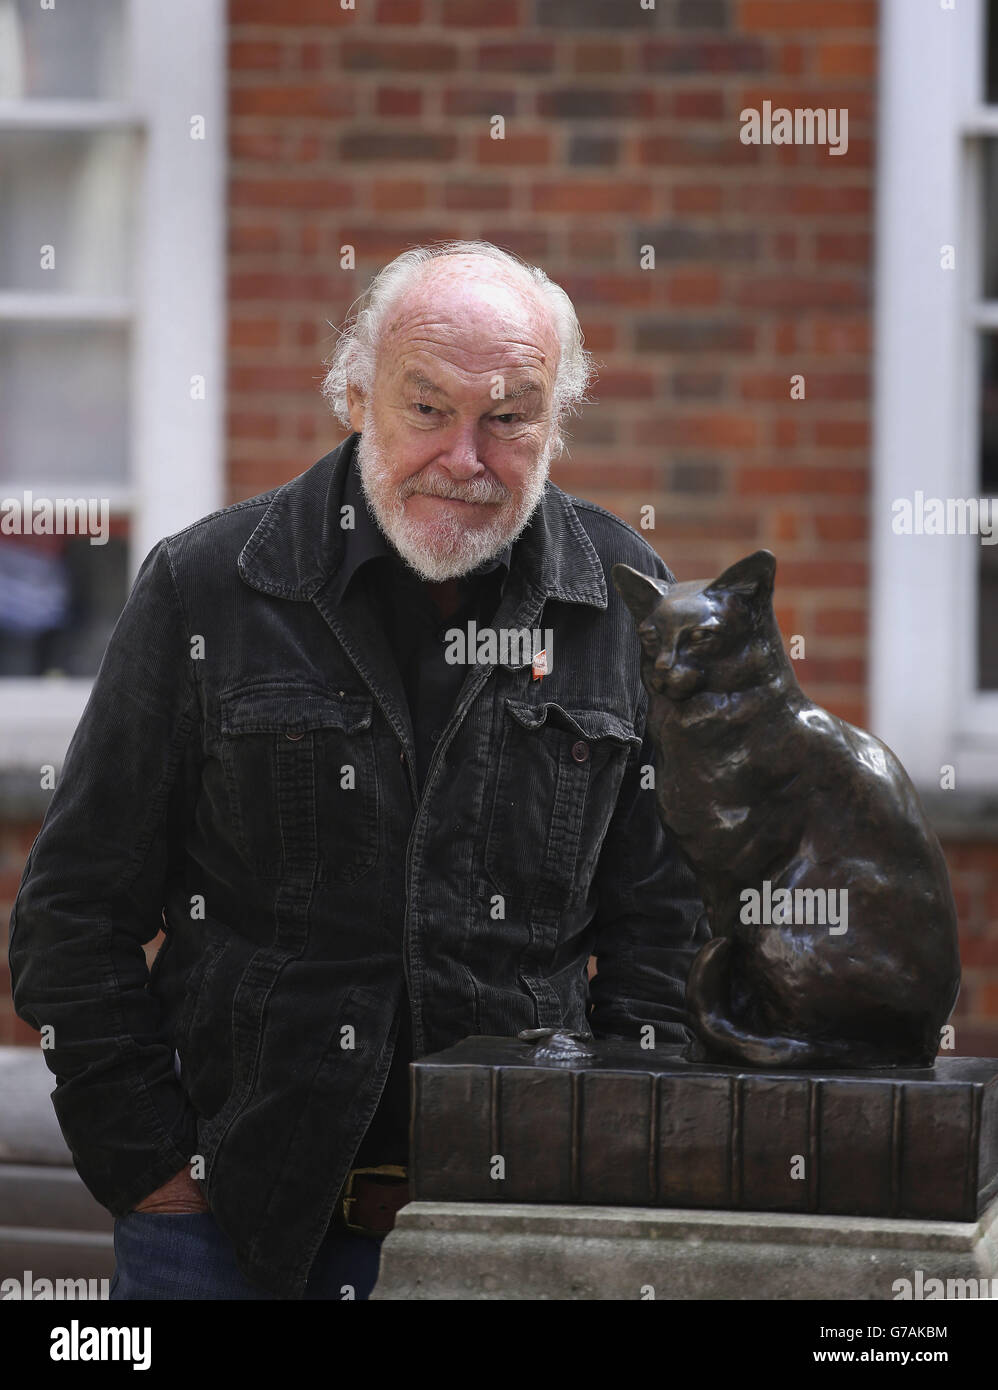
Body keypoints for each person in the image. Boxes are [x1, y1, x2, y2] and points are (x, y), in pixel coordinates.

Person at [8, 240, 708, 1300]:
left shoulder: (622, 599)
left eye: (509, 415)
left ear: (555, 422)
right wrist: (152, 1166)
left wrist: (609, 1158)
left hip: (517, 1233)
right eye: (425, 407)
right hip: (227, 1232)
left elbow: (668, 927)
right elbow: (72, 912)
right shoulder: (208, 588)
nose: (466, 456)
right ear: (353, 394)